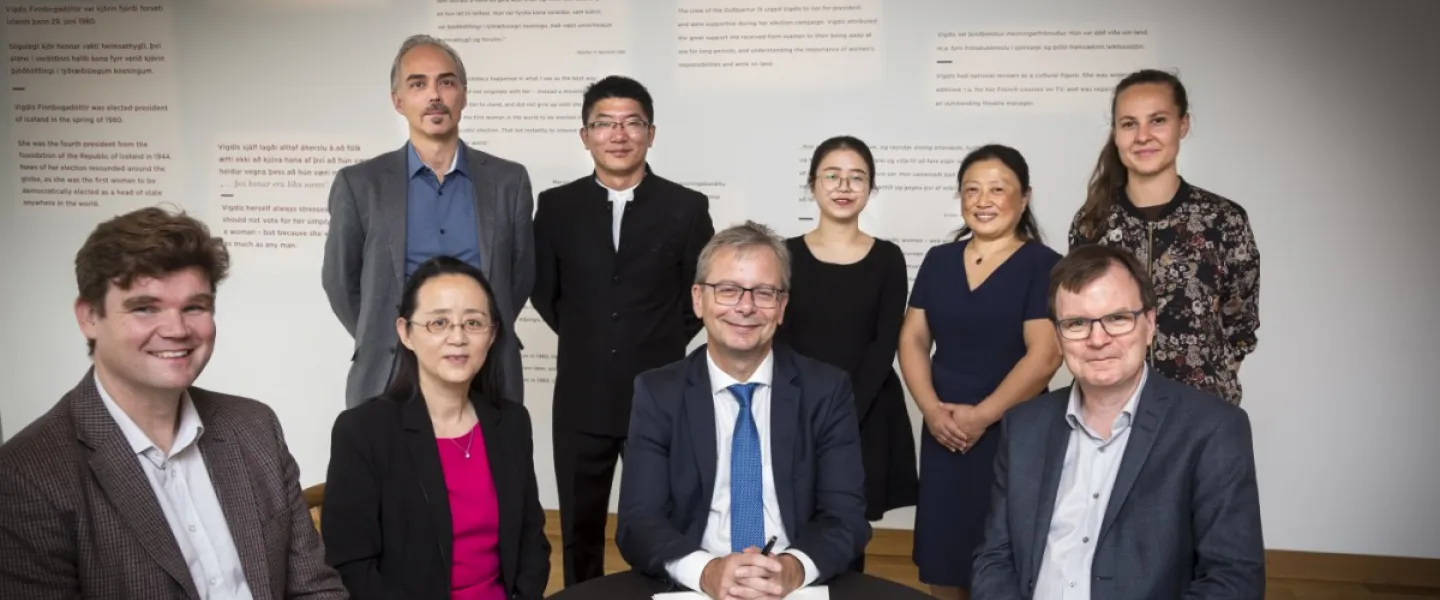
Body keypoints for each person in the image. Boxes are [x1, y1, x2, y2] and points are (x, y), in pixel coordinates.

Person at [0, 206, 347, 599]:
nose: (177, 330)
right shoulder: (26, 476)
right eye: (145, 308)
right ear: (89, 317)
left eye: (194, 307)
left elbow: (315, 589)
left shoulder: (254, 426)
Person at [971, 244, 1265, 599]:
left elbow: (1233, 581)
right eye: (1077, 323)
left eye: (1117, 318)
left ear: (1150, 324)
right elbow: (994, 559)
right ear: (1058, 334)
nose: (1098, 339)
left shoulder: (1212, 428)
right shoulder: (1023, 426)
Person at [615, 221, 870, 599]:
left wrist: (792, 568)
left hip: (792, 585)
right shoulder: (657, 392)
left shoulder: (826, 390)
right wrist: (708, 572)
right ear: (698, 299)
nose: (746, 306)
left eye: (764, 292)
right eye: (729, 290)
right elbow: (639, 523)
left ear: (781, 307)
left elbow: (845, 518)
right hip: (695, 583)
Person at [531, 74, 714, 585]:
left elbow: (699, 294)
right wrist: (591, 334)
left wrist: (652, 338)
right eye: (604, 124)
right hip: (580, 394)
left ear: (651, 133)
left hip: (659, 392)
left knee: (660, 524)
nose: (618, 134)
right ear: (585, 134)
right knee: (579, 528)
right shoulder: (556, 207)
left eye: (631, 123)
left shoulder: (686, 207)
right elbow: (544, 290)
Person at [323, 33, 535, 409]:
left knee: (485, 469)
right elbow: (341, 281)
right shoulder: (360, 184)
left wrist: (477, 333)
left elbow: (519, 278)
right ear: (398, 101)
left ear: (464, 95)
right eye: (418, 84)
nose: (434, 95)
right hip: (390, 371)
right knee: (390, 468)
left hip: (488, 373)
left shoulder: (509, 181)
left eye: (446, 82)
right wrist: (388, 335)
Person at [322, 255, 549, 600]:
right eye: (439, 323)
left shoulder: (512, 423)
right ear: (406, 333)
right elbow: (352, 568)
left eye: (473, 323)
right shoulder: (362, 431)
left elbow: (532, 542)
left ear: (492, 335)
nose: (457, 338)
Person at [898, 144, 1063, 599]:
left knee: (1003, 559)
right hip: (943, 428)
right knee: (944, 559)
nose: (983, 200)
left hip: (1012, 431)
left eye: (997, 189)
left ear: (1024, 197)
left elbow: (1045, 356)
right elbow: (912, 338)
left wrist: (983, 416)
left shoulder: (1043, 264)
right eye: (972, 189)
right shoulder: (939, 259)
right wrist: (932, 411)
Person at [1068, 68, 1260, 405]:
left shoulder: (1223, 220)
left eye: (1157, 120)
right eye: (1129, 124)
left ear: (1182, 125)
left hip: (1201, 412)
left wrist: (1210, 384)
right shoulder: (1092, 225)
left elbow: (1240, 325)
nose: (1143, 136)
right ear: (1116, 133)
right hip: (1114, 414)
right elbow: (1079, 320)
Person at [774, 135, 917, 572]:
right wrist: (804, 410)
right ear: (812, 184)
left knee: (847, 529)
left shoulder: (888, 257)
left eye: (857, 178)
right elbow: (776, 337)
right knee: (792, 520)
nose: (843, 186)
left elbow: (884, 342)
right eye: (832, 175)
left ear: (870, 188)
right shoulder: (785, 254)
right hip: (795, 408)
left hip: (865, 409)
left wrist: (842, 414)